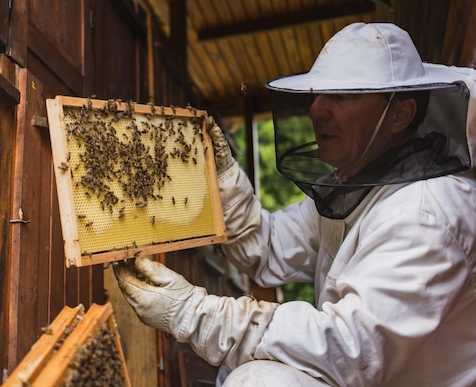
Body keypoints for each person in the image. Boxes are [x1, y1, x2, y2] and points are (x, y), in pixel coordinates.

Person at [113, 22, 476, 386]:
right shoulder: (356, 184)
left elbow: (349, 347)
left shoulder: (425, 214)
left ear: (400, 114)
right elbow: (267, 249)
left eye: (342, 96)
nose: (316, 110)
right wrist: (222, 176)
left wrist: (194, 314)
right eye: (317, 95)